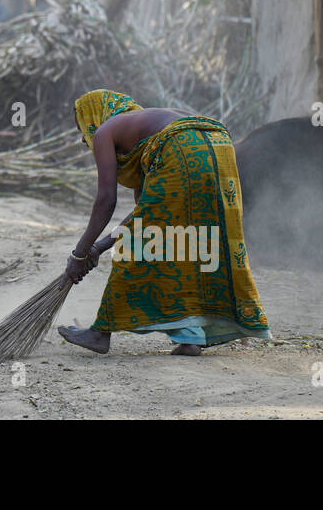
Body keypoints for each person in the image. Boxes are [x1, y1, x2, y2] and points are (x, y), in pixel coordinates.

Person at [58, 89, 272, 356]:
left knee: (141, 245)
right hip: (218, 144)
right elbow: (143, 214)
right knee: (185, 242)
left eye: (82, 128)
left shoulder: (106, 131)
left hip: (182, 144)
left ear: (93, 117)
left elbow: (105, 200)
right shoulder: (145, 133)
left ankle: (101, 332)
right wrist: (98, 248)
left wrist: (78, 254)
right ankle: (191, 336)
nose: (83, 138)